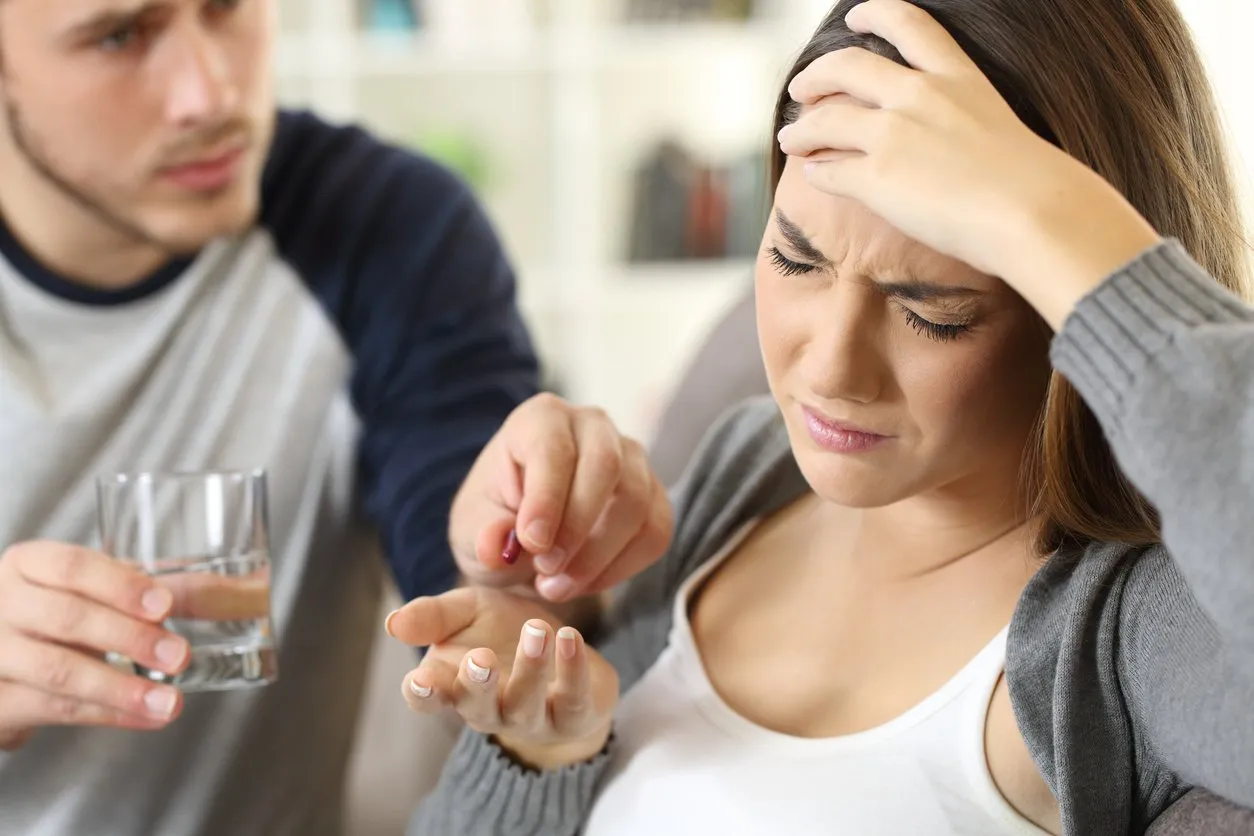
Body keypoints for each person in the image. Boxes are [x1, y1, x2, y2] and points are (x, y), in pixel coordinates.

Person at [387, 0, 1254, 833]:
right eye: (797, 258)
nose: (829, 369)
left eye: (931, 312)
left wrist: (1067, 229)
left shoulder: (1130, 628)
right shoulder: (747, 472)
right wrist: (539, 740)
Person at [0, 1, 671, 834]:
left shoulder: (383, 228)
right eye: (118, 35)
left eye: (227, 8)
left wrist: (527, 552)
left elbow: (475, 575)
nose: (208, 93)